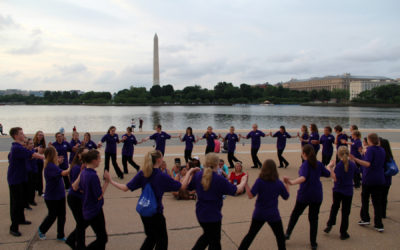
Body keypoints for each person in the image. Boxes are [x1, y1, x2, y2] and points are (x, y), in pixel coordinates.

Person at [105, 150, 197, 249]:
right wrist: (190, 172)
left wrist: (111, 181)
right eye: (162, 157)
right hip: (155, 213)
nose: (163, 159)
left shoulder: (143, 173)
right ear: (158, 160)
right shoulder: (161, 176)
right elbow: (182, 187)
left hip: (144, 212)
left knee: (151, 238)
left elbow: (125, 188)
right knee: (161, 241)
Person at [188, 153, 247, 249]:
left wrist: (191, 173)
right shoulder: (219, 179)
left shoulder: (199, 175)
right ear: (217, 164)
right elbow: (236, 190)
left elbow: (189, 187)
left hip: (201, 213)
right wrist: (244, 180)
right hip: (213, 216)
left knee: (210, 239)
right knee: (212, 240)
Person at [283, 144, 330, 250]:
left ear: (304, 154)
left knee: (295, 214)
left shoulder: (305, 164)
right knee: (313, 219)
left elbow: (303, 178)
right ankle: (313, 242)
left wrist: (291, 182)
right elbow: (327, 174)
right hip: (317, 195)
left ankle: (288, 233)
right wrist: (330, 166)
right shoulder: (318, 164)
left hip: (305, 194)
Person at [239, 159, 289, 250]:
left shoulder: (260, 181)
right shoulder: (278, 183)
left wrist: (245, 183)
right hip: (273, 214)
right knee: (280, 237)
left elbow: (250, 195)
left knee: (251, 235)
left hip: (259, 213)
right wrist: (287, 184)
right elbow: (286, 197)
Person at [8, 127, 44, 236]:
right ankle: (13, 227)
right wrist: (46, 157)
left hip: (21, 178)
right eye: (21, 133)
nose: (23, 135)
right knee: (16, 203)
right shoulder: (17, 147)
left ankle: (21, 219)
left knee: (22, 201)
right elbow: (33, 154)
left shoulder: (20, 147)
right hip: (15, 179)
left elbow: (31, 152)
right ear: (15, 136)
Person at [350, 133, 386, 232]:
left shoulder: (371, 149)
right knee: (377, 202)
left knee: (365, 199)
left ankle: (365, 218)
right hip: (380, 178)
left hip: (370, 178)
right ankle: (379, 224)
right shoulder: (382, 149)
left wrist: (355, 159)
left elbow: (367, 163)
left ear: (370, 140)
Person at [324, 146, 357, 240]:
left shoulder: (339, 165)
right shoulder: (352, 164)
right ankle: (343, 232)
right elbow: (356, 173)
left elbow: (335, 178)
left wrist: (329, 167)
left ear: (338, 154)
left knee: (335, 207)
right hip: (348, 191)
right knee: (346, 213)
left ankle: (330, 224)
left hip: (338, 190)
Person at [38, 146, 70, 241]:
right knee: (52, 215)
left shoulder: (53, 165)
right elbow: (64, 173)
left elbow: (58, 172)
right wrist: (73, 166)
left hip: (60, 194)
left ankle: (60, 235)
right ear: (51, 155)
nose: (57, 154)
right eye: (55, 153)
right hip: (52, 196)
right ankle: (42, 230)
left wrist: (59, 163)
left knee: (62, 215)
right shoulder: (50, 166)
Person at [79, 150, 110, 250]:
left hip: (88, 207)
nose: (100, 161)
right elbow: (99, 195)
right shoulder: (92, 176)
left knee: (101, 236)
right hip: (94, 210)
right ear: (93, 160)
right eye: (98, 159)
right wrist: (107, 181)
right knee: (102, 238)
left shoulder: (84, 172)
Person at [65, 147, 87, 249]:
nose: (88, 154)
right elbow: (75, 185)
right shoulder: (76, 168)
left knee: (83, 223)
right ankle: (79, 245)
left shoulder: (84, 166)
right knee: (82, 223)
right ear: (79, 155)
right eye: (85, 153)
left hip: (80, 198)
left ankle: (72, 240)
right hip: (75, 199)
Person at [379, 138, 393, 219]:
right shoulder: (389, 156)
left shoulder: (382, 156)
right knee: (384, 197)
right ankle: (383, 213)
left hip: (382, 179)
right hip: (387, 179)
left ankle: (380, 213)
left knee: (380, 197)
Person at [25, 138, 38, 207]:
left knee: (33, 187)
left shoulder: (33, 151)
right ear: (26, 145)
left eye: (32, 143)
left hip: (34, 170)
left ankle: (32, 200)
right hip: (28, 171)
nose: (32, 145)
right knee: (28, 187)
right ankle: (26, 202)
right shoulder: (25, 151)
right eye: (30, 143)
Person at [33, 130, 46, 196]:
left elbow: (43, 152)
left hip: (40, 161)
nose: (41, 136)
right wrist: (36, 148)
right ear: (37, 135)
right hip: (33, 161)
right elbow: (30, 150)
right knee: (34, 176)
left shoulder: (43, 143)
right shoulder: (33, 142)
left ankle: (40, 191)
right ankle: (35, 188)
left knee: (40, 176)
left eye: (42, 135)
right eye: (39, 135)